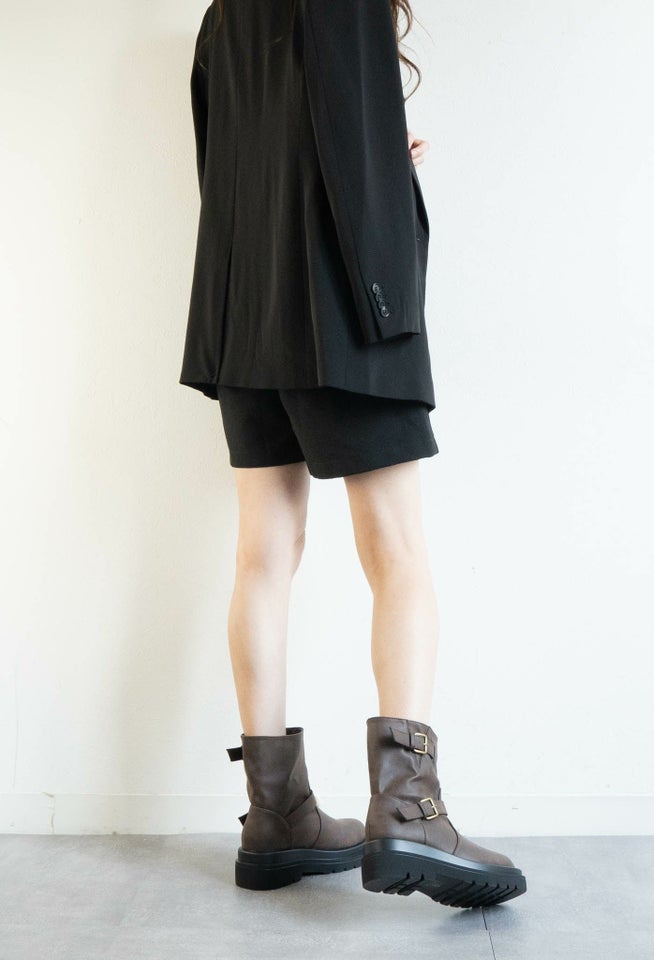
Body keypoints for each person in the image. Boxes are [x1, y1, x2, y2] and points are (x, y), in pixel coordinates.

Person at [179, 0, 527, 908]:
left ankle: (276, 816)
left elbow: (228, 165)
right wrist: (386, 199)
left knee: (262, 557)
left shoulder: (221, 16)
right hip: (344, 309)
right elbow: (345, 158)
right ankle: (408, 810)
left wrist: (377, 150)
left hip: (244, 313)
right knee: (398, 553)